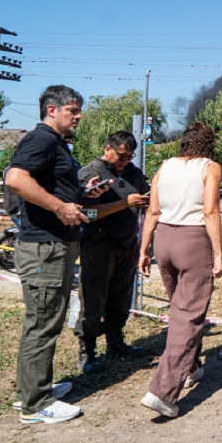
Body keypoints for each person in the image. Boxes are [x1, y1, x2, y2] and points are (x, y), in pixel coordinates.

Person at [5, 85, 109, 424]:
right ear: (52, 109)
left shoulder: (56, 144)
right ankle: (36, 405)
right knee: (44, 323)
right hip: (45, 247)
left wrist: (82, 193)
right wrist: (60, 206)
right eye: (72, 110)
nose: (78, 116)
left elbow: (51, 186)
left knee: (43, 320)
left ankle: (31, 391)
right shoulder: (42, 140)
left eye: (78, 110)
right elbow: (16, 179)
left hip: (52, 244)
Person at [138, 121, 222, 418]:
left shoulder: (164, 165)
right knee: (189, 315)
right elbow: (210, 210)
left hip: (164, 241)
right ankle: (162, 391)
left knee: (180, 308)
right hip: (192, 242)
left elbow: (152, 210)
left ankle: (191, 366)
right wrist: (218, 253)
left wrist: (144, 249)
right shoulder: (209, 167)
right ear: (207, 144)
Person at [75, 131, 150, 373]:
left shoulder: (133, 173)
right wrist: (123, 203)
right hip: (98, 246)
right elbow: (87, 213)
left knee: (121, 298)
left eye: (130, 156)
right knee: (93, 299)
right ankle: (87, 352)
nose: (125, 160)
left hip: (126, 246)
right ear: (108, 149)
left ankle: (116, 344)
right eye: (121, 155)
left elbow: (147, 196)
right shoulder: (91, 173)